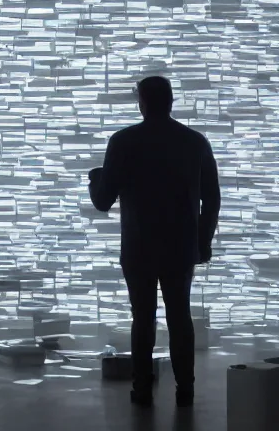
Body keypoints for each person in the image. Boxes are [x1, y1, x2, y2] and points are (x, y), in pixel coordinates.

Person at [87, 76, 221, 409]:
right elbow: (213, 198)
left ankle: (142, 389)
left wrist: (95, 178)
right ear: (171, 101)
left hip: (139, 246)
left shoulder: (124, 141)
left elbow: (103, 201)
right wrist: (203, 241)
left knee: (142, 318)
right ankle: (185, 389)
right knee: (180, 316)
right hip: (180, 246)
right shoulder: (194, 142)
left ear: (142, 103)